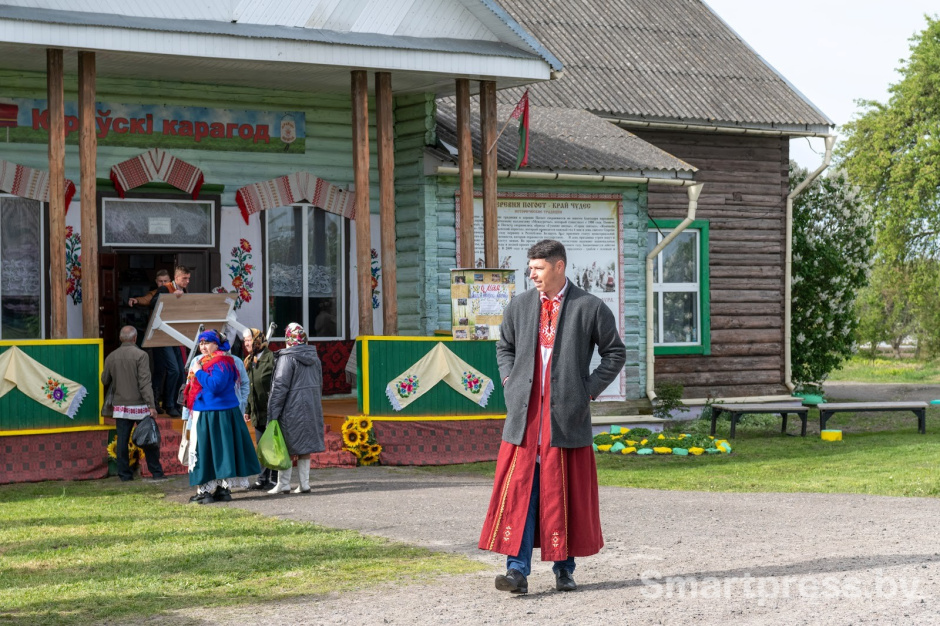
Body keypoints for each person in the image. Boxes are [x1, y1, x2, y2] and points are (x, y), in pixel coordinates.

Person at [479, 239, 626, 594]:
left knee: (562, 490)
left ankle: (564, 569)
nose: (532, 274)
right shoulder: (519, 305)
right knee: (522, 491)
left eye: (538, 268)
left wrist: (587, 389)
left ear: (559, 266)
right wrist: (510, 380)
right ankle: (517, 572)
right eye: (530, 268)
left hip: (566, 416)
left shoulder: (589, 307)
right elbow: (505, 347)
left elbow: (615, 353)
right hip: (525, 415)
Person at [183, 329, 261, 504]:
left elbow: (215, 385)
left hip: (213, 412)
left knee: (207, 450)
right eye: (201, 343)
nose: (203, 346)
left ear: (216, 344)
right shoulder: (208, 360)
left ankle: (208, 492)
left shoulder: (221, 362)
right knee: (218, 450)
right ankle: (219, 490)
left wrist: (198, 371)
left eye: (207, 343)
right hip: (212, 411)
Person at [101, 325, 166, 482]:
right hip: (140, 404)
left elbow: (104, 380)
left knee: (122, 440)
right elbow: (145, 383)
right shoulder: (141, 355)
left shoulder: (111, 356)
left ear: (120, 339)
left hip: (121, 405)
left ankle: (124, 475)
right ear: (135, 338)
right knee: (148, 438)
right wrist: (151, 405)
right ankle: (156, 472)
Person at [266, 322, 325, 495]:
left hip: (291, 409)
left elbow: (279, 387)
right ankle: (304, 483)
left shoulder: (287, 358)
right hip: (311, 406)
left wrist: (273, 413)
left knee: (284, 445)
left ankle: (283, 484)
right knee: (304, 445)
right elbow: (320, 384)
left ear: (288, 339)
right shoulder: (315, 358)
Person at [152, 266, 191, 417]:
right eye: (184, 278)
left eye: (188, 278)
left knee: (181, 370)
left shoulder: (185, 290)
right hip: (164, 335)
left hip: (177, 334)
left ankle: (176, 404)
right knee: (173, 369)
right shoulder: (165, 289)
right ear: (176, 278)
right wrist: (171, 297)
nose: (187, 281)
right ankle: (168, 404)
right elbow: (153, 302)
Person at [243, 327, 277, 490]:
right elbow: (250, 386)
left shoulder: (272, 358)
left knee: (273, 445)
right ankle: (262, 478)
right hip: (257, 410)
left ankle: (275, 479)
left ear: (258, 340)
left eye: (249, 340)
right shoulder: (250, 360)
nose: (246, 343)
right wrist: (247, 409)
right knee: (262, 445)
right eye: (245, 340)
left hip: (271, 410)